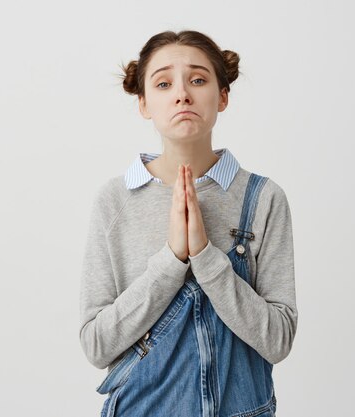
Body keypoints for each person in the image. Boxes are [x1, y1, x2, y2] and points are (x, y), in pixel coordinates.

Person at [79, 29, 298, 417]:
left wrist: (205, 256)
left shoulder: (263, 198)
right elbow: (97, 345)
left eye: (198, 80)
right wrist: (172, 261)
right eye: (164, 83)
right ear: (144, 103)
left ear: (223, 96)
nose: (182, 94)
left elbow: (278, 340)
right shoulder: (114, 201)